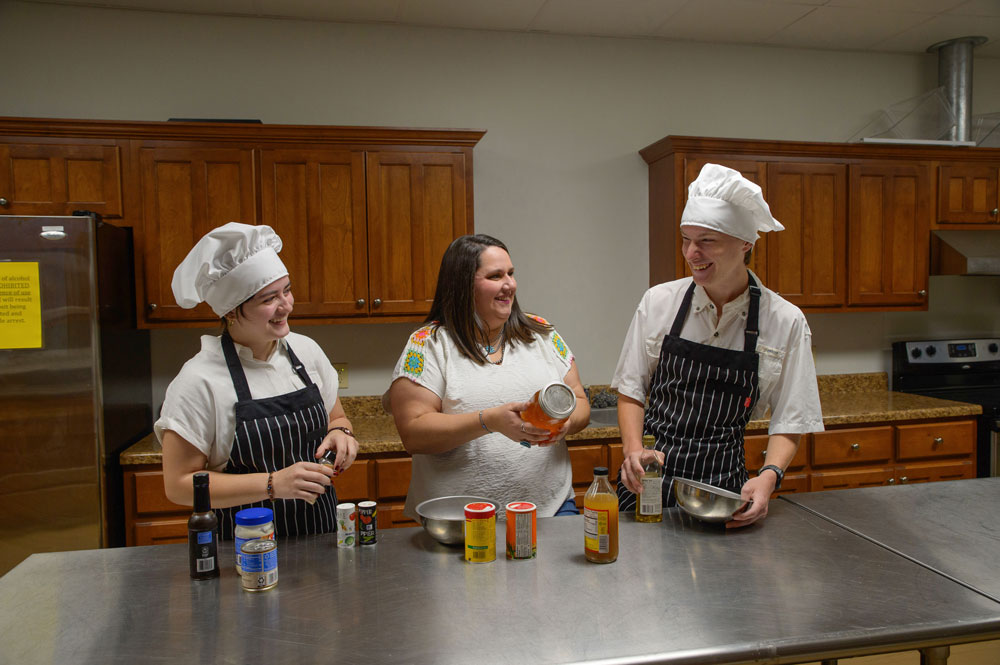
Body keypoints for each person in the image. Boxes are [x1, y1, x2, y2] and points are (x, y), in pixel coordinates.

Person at [612, 164, 823, 527]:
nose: (691, 253)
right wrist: (633, 450)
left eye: (707, 240)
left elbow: (791, 416)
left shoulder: (784, 321)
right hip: (647, 483)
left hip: (723, 492)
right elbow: (631, 389)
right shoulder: (659, 302)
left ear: (745, 244)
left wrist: (769, 475)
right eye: (686, 239)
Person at [155, 222, 358, 538]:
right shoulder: (198, 381)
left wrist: (342, 433)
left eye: (286, 290)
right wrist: (273, 484)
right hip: (244, 548)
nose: (285, 306)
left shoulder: (306, 351)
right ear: (232, 311)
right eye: (268, 299)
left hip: (322, 538)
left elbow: (338, 417)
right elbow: (180, 485)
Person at [386, 234, 591, 519]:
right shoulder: (428, 344)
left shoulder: (541, 332)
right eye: (495, 276)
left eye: (511, 273)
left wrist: (566, 424)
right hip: (458, 520)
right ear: (463, 285)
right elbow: (414, 432)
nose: (509, 284)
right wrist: (489, 421)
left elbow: (579, 398)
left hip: (550, 509)